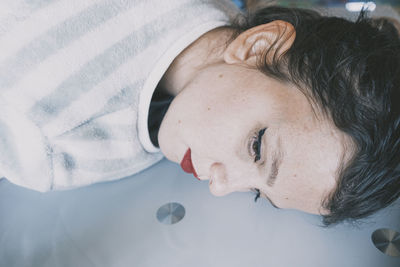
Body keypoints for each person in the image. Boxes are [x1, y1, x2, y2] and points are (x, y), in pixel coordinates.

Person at [0, 0, 399, 226]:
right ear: (258, 46)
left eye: (257, 193)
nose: (219, 187)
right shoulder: (53, 134)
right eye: (257, 148)